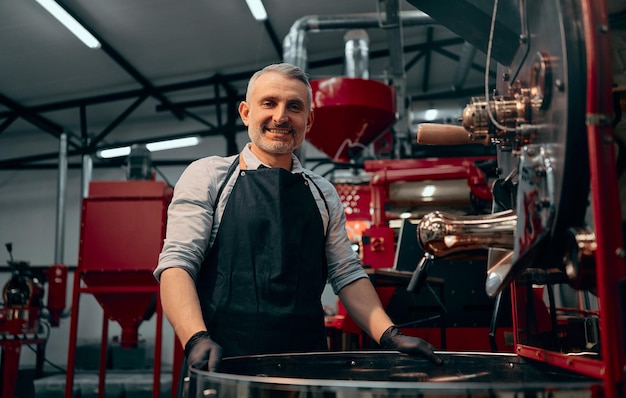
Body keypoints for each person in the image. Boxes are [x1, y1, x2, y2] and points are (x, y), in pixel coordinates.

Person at [154, 63, 442, 382]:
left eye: (294, 106)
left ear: (309, 119)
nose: (281, 117)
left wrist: (388, 334)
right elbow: (178, 264)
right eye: (269, 103)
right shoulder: (209, 176)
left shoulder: (323, 192)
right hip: (223, 360)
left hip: (305, 362)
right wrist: (195, 337)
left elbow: (346, 273)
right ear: (246, 112)